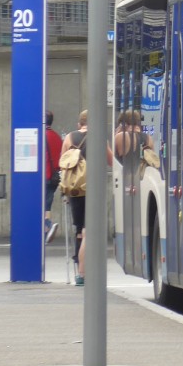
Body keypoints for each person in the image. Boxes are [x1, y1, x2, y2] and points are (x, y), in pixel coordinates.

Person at [61, 109, 114, 286]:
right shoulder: (99, 138)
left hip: (75, 191)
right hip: (93, 190)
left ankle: (79, 267)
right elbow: (111, 161)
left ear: (79, 123)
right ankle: (83, 272)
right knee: (88, 231)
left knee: (79, 230)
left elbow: (63, 164)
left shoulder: (69, 138)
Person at [43, 111, 63, 244]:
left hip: (44, 176)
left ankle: (49, 225)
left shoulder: (41, 136)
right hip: (54, 178)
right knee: (47, 206)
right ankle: (45, 232)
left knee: (39, 205)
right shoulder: (57, 137)